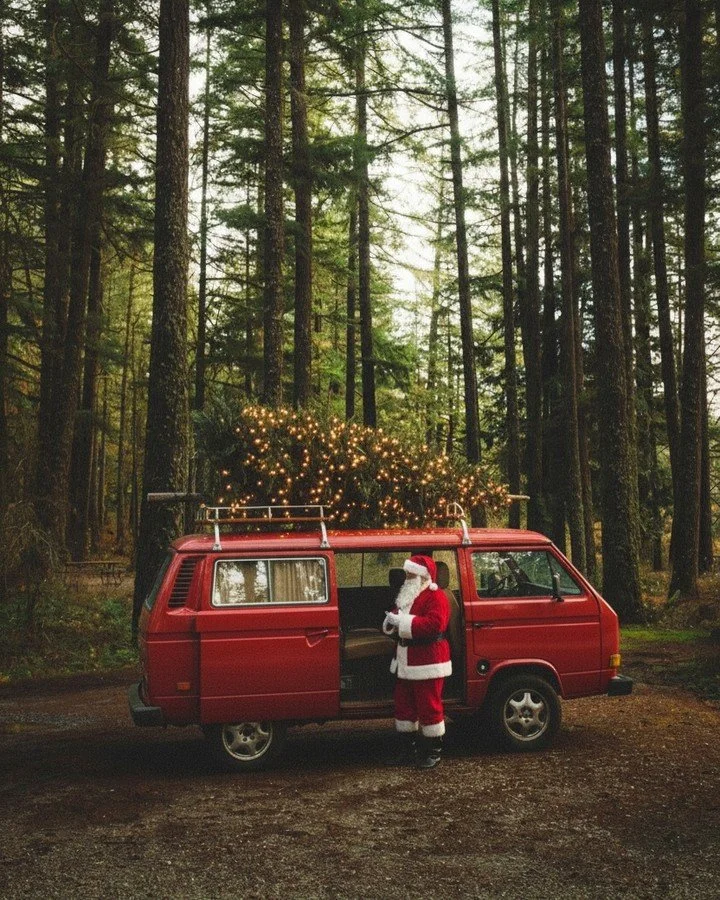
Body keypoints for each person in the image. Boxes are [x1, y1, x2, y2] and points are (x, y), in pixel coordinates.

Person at [382, 554, 451, 768]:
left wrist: (402, 622)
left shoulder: (436, 596)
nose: (408, 577)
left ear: (423, 576)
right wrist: (392, 620)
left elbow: (434, 624)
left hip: (427, 660)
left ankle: (433, 752)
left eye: (411, 573)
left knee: (429, 706)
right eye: (407, 573)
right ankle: (407, 751)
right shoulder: (409, 594)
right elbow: (400, 614)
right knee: (404, 706)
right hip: (406, 660)